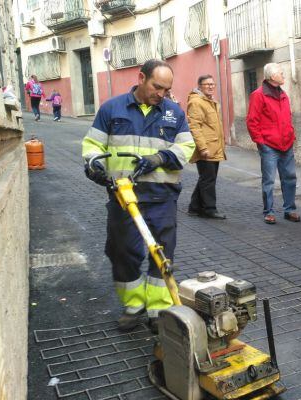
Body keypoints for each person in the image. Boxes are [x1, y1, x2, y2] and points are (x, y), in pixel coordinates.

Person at [81, 59, 196, 332]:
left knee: (162, 254)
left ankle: (158, 309)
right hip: (123, 196)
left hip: (161, 197)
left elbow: (187, 147)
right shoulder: (112, 109)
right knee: (123, 252)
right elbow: (93, 144)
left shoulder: (173, 113)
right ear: (141, 78)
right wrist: (94, 164)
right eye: (157, 87)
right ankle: (134, 305)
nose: (161, 94)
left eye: (167, 90)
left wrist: (160, 158)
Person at [246, 63, 300, 225]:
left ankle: (289, 209)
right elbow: (251, 121)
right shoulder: (258, 95)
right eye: (281, 73)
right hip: (269, 145)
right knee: (269, 180)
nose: (283, 75)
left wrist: (291, 134)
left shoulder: (283, 95)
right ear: (272, 77)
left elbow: (287, 118)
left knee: (290, 178)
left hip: (286, 144)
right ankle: (268, 211)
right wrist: (261, 142)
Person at [187, 74, 227, 220]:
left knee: (206, 178)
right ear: (199, 86)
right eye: (207, 84)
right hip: (207, 148)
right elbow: (195, 127)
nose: (210, 86)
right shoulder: (196, 102)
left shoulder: (209, 101)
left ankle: (195, 207)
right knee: (208, 179)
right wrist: (203, 148)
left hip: (214, 146)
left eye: (212, 84)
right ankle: (209, 209)